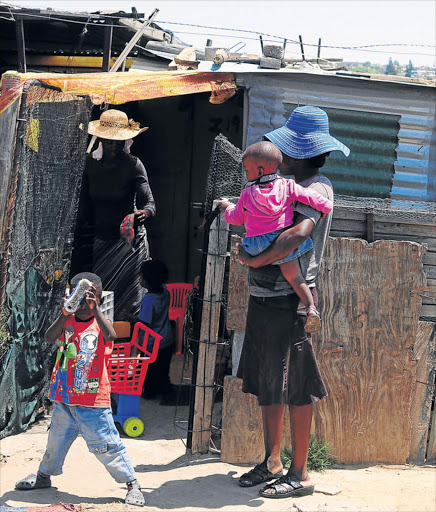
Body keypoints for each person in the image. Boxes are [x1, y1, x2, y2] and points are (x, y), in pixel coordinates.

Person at [235, 106, 349, 499]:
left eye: (287, 149)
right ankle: (272, 461)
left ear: (302, 153)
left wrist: (251, 259)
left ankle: (300, 474)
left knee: (297, 387)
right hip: (265, 295)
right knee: (270, 381)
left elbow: (296, 236)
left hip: (291, 301)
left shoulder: (317, 189)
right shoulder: (279, 184)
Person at [14, 272, 145, 507]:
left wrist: (96, 311)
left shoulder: (100, 323)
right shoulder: (68, 322)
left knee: (106, 446)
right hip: (64, 399)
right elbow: (48, 337)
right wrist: (65, 314)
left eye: (90, 299)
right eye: (79, 300)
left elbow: (111, 335)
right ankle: (43, 477)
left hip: (93, 402)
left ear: (100, 300)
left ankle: (131, 483)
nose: (84, 305)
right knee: (55, 443)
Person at [218, 141, 333, 333]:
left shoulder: (247, 193)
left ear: (260, 170)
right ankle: (311, 308)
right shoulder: (288, 186)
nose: (246, 174)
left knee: (241, 250)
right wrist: (325, 208)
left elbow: (236, 218)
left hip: (255, 244)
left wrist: (227, 208)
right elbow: (310, 198)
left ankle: (253, 260)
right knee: (296, 278)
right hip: (279, 241)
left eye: (247, 170)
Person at [73, 109, 156, 320]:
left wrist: (143, 213)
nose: (114, 146)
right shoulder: (90, 164)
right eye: (110, 141)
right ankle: (105, 345)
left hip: (129, 244)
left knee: (131, 302)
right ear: (100, 138)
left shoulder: (133, 165)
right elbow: (83, 207)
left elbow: (149, 203)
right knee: (102, 301)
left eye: (119, 141)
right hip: (101, 241)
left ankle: (129, 345)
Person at [132, 259, 174, 402]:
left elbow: (143, 322)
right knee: (163, 367)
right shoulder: (165, 292)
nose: (139, 278)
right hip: (167, 338)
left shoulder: (149, 300)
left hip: (152, 342)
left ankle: (149, 392)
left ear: (147, 282)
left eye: (141, 276)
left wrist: (128, 317)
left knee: (150, 369)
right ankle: (165, 387)